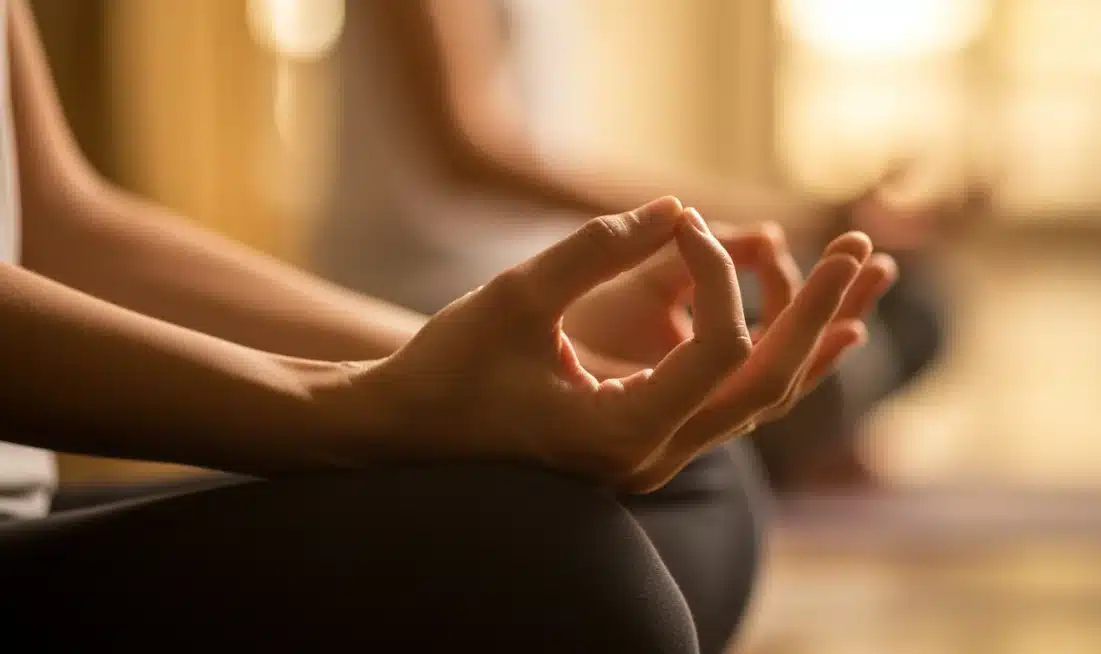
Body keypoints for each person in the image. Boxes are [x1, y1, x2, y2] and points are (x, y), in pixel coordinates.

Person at [0, 0, 897, 651]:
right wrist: (355, 407)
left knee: (704, 481)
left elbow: (62, 227)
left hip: (459, 308)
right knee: (570, 572)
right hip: (427, 283)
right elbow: (475, 149)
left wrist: (547, 361)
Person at [312, 0, 974, 490]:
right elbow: (473, 156)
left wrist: (810, 225)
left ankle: (800, 443)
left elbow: (550, 157)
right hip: (439, 296)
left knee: (908, 305)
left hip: (548, 274)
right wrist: (791, 219)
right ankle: (803, 444)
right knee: (809, 380)